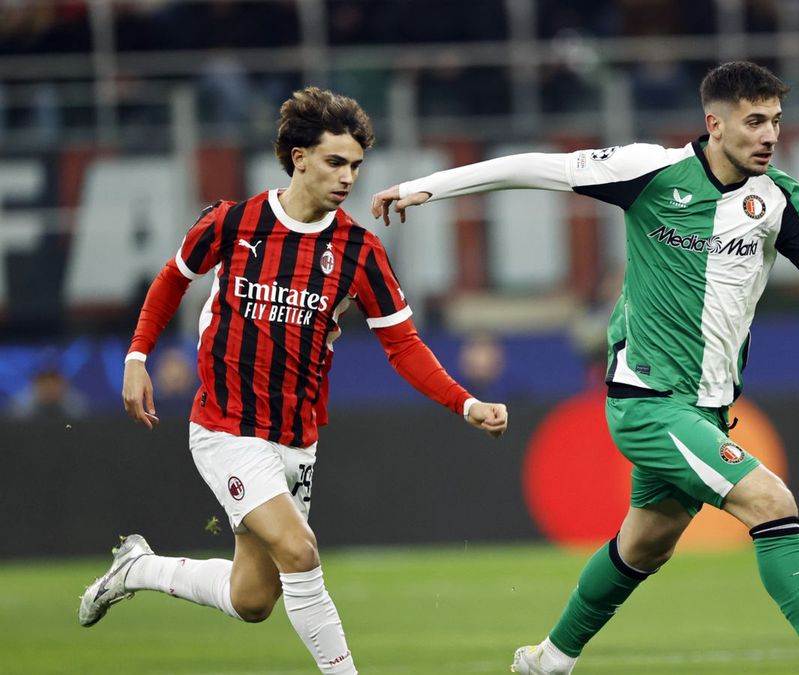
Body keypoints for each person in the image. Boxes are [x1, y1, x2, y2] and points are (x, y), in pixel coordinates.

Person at [371, 62, 799, 675]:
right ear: (714, 124)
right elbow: (538, 168)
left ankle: (547, 662)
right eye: (754, 122)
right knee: (771, 502)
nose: (769, 134)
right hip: (647, 400)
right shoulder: (651, 171)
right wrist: (429, 185)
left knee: (645, 544)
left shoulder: (777, 200)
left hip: (709, 410)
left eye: (775, 120)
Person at [77, 87, 508, 675]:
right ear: (298, 157)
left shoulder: (359, 251)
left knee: (253, 599)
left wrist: (465, 403)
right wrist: (136, 356)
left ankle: (139, 569)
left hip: (296, 439)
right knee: (301, 551)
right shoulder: (234, 222)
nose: (348, 177)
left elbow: (403, 345)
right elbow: (172, 279)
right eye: (335, 162)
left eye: (356, 165)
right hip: (225, 429)